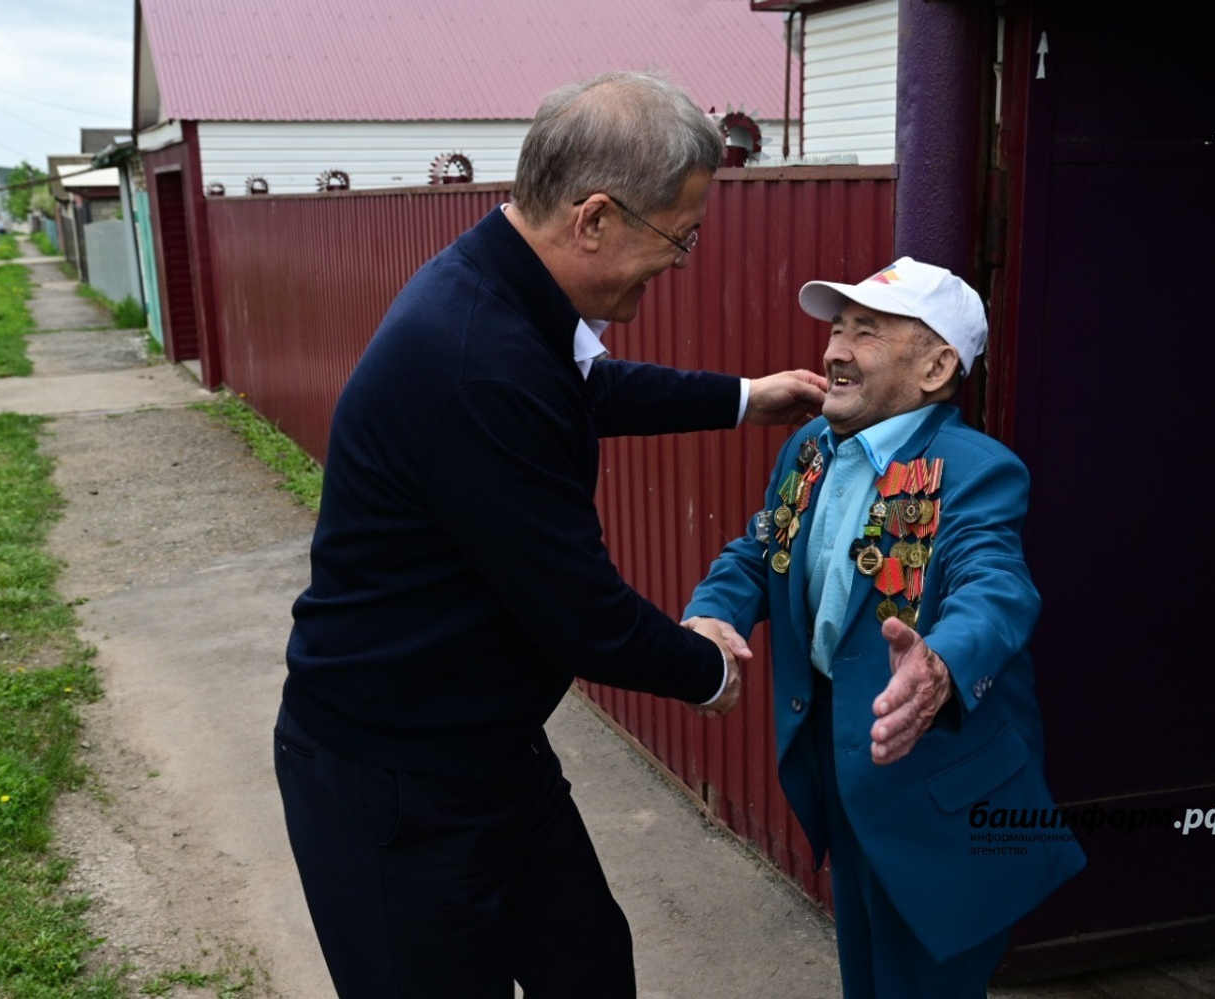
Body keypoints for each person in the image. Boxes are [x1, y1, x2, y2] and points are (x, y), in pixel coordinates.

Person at [274, 71, 827, 998]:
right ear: (596, 218)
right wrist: (710, 669)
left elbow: (582, 391)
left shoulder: (509, 288)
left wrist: (743, 399)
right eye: (678, 237)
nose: (681, 261)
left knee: (589, 965)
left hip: (489, 746)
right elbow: (583, 616)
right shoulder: (474, 361)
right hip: (391, 775)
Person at [684, 257, 1086, 998]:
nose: (835, 349)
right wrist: (714, 610)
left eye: (865, 332)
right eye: (837, 328)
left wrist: (941, 662)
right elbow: (759, 547)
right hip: (849, 772)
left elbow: (995, 586)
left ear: (936, 367)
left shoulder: (977, 468)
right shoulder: (809, 449)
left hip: (941, 800)